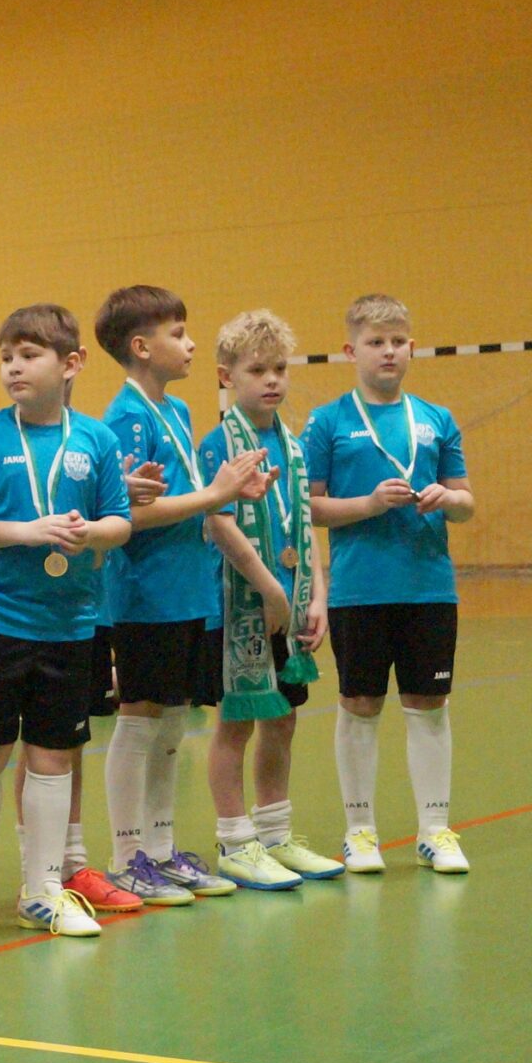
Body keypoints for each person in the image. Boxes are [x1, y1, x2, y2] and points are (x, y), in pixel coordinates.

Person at [0, 304, 134, 938]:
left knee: (54, 756)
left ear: (71, 364)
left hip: (71, 624)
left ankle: (44, 888)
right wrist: (27, 532)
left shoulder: (96, 440)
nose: (13, 368)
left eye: (29, 356)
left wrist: (90, 534)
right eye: (6, 357)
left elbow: (120, 521)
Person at [95, 285, 266, 904]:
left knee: (172, 721)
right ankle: (125, 857)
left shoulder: (177, 410)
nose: (191, 344)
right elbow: (128, 515)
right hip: (146, 594)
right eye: (178, 334)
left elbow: (188, 497)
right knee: (139, 719)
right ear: (142, 347)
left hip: (190, 590)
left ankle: (161, 851)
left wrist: (230, 491)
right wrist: (214, 495)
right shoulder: (125, 418)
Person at [305, 294, 474, 875]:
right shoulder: (327, 422)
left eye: (398, 341)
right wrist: (369, 504)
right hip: (359, 590)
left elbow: (466, 502)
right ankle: (359, 832)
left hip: (429, 588)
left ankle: (434, 829)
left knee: (429, 704)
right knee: (360, 704)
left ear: (412, 348)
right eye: (376, 342)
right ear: (351, 351)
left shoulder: (436, 418)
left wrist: (448, 498)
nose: (388, 352)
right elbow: (309, 507)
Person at [199, 311, 343, 887]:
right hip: (240, 604)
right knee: (237, 723)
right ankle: (236, 841)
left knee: (282, 719)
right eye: (257, 370)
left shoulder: (294, 446)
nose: (272, 380)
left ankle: (276, 834)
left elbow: (304, 524)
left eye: (279, 368)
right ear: (227, 376)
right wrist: (269, 588)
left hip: (290, 602)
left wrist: (318, 595)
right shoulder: (219, 444)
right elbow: (218, 522)